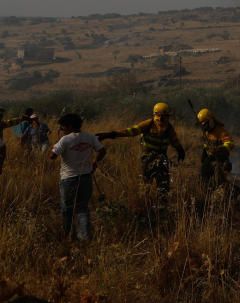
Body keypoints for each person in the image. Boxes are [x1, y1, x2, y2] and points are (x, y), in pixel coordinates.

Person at [97, 102, 185, 196]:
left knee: (163, 186)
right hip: (147, 158)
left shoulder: (169, 129)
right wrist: (111, 134)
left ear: (168, 117)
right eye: (158, 116)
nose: (161, 119)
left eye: (164, 116)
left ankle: (162, 204)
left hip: (162, 159)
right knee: (146, 184)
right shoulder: (148, 124)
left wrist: (180, 150)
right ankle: (145, 201)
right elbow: (131, 131)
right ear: (154, 115)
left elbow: (175, 141)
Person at [49, 113, 106, 241]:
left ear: (69, 126)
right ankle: (84, 237)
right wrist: (95, 163)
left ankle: (68, 235)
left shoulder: (65, 140)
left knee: (67, 209)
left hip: (68, 179)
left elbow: (52, 156)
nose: (61, 130)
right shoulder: (90, 137)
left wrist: (56, 145)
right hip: (86, 177)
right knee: (82, 208)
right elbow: (102, 151)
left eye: (62, 128)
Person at [196, 108, 234, 190]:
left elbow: (230, 142)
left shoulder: (221, 131)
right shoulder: (207, 132)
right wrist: (204, 152)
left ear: (211, 120)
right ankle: (206, 191)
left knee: (218, 179)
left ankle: (222, 191)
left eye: (205, 124)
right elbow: (207, 144)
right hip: (210, 158)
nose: (204, 127)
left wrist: (222, 149)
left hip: (220, 159)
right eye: (202, 125)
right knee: (203, 174)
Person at [0, 108, 30, 175]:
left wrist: (21, 119)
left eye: (1, 115)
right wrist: (21, 119)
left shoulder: (2, 123)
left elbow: (10, 122)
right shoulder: (1, 124)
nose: (1, 116)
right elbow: (10, 122)